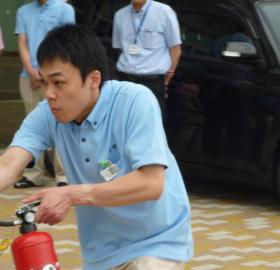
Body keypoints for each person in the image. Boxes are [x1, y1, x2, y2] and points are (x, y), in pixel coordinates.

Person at [0, 24, 193, 270]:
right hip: (100, 253)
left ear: (93, 79)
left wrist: (70, 194)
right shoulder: (46, 115)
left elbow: (151, 183)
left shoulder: (134, 101)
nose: (49, 94)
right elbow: (9, 163)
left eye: (58, 83)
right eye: (44, 82)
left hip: (157, 241)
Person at [14, 0, 75, 188]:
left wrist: (47, 74)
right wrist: (32, 71)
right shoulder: (24, 11)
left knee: (64, 123)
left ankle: (64, 176)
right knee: (32, 125)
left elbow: (68, 44)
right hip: (28, 77)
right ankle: (33, 174)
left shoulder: (65, 9)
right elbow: (22, 43)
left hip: (58, 78)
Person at [112, 0, 182, 117]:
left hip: (151, 83)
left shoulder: (164, 12)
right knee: (120, 121)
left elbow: (175, 49)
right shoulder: (120, 15)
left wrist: (166, 81)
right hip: (124, 80)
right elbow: (118, 48)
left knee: (148, 125)